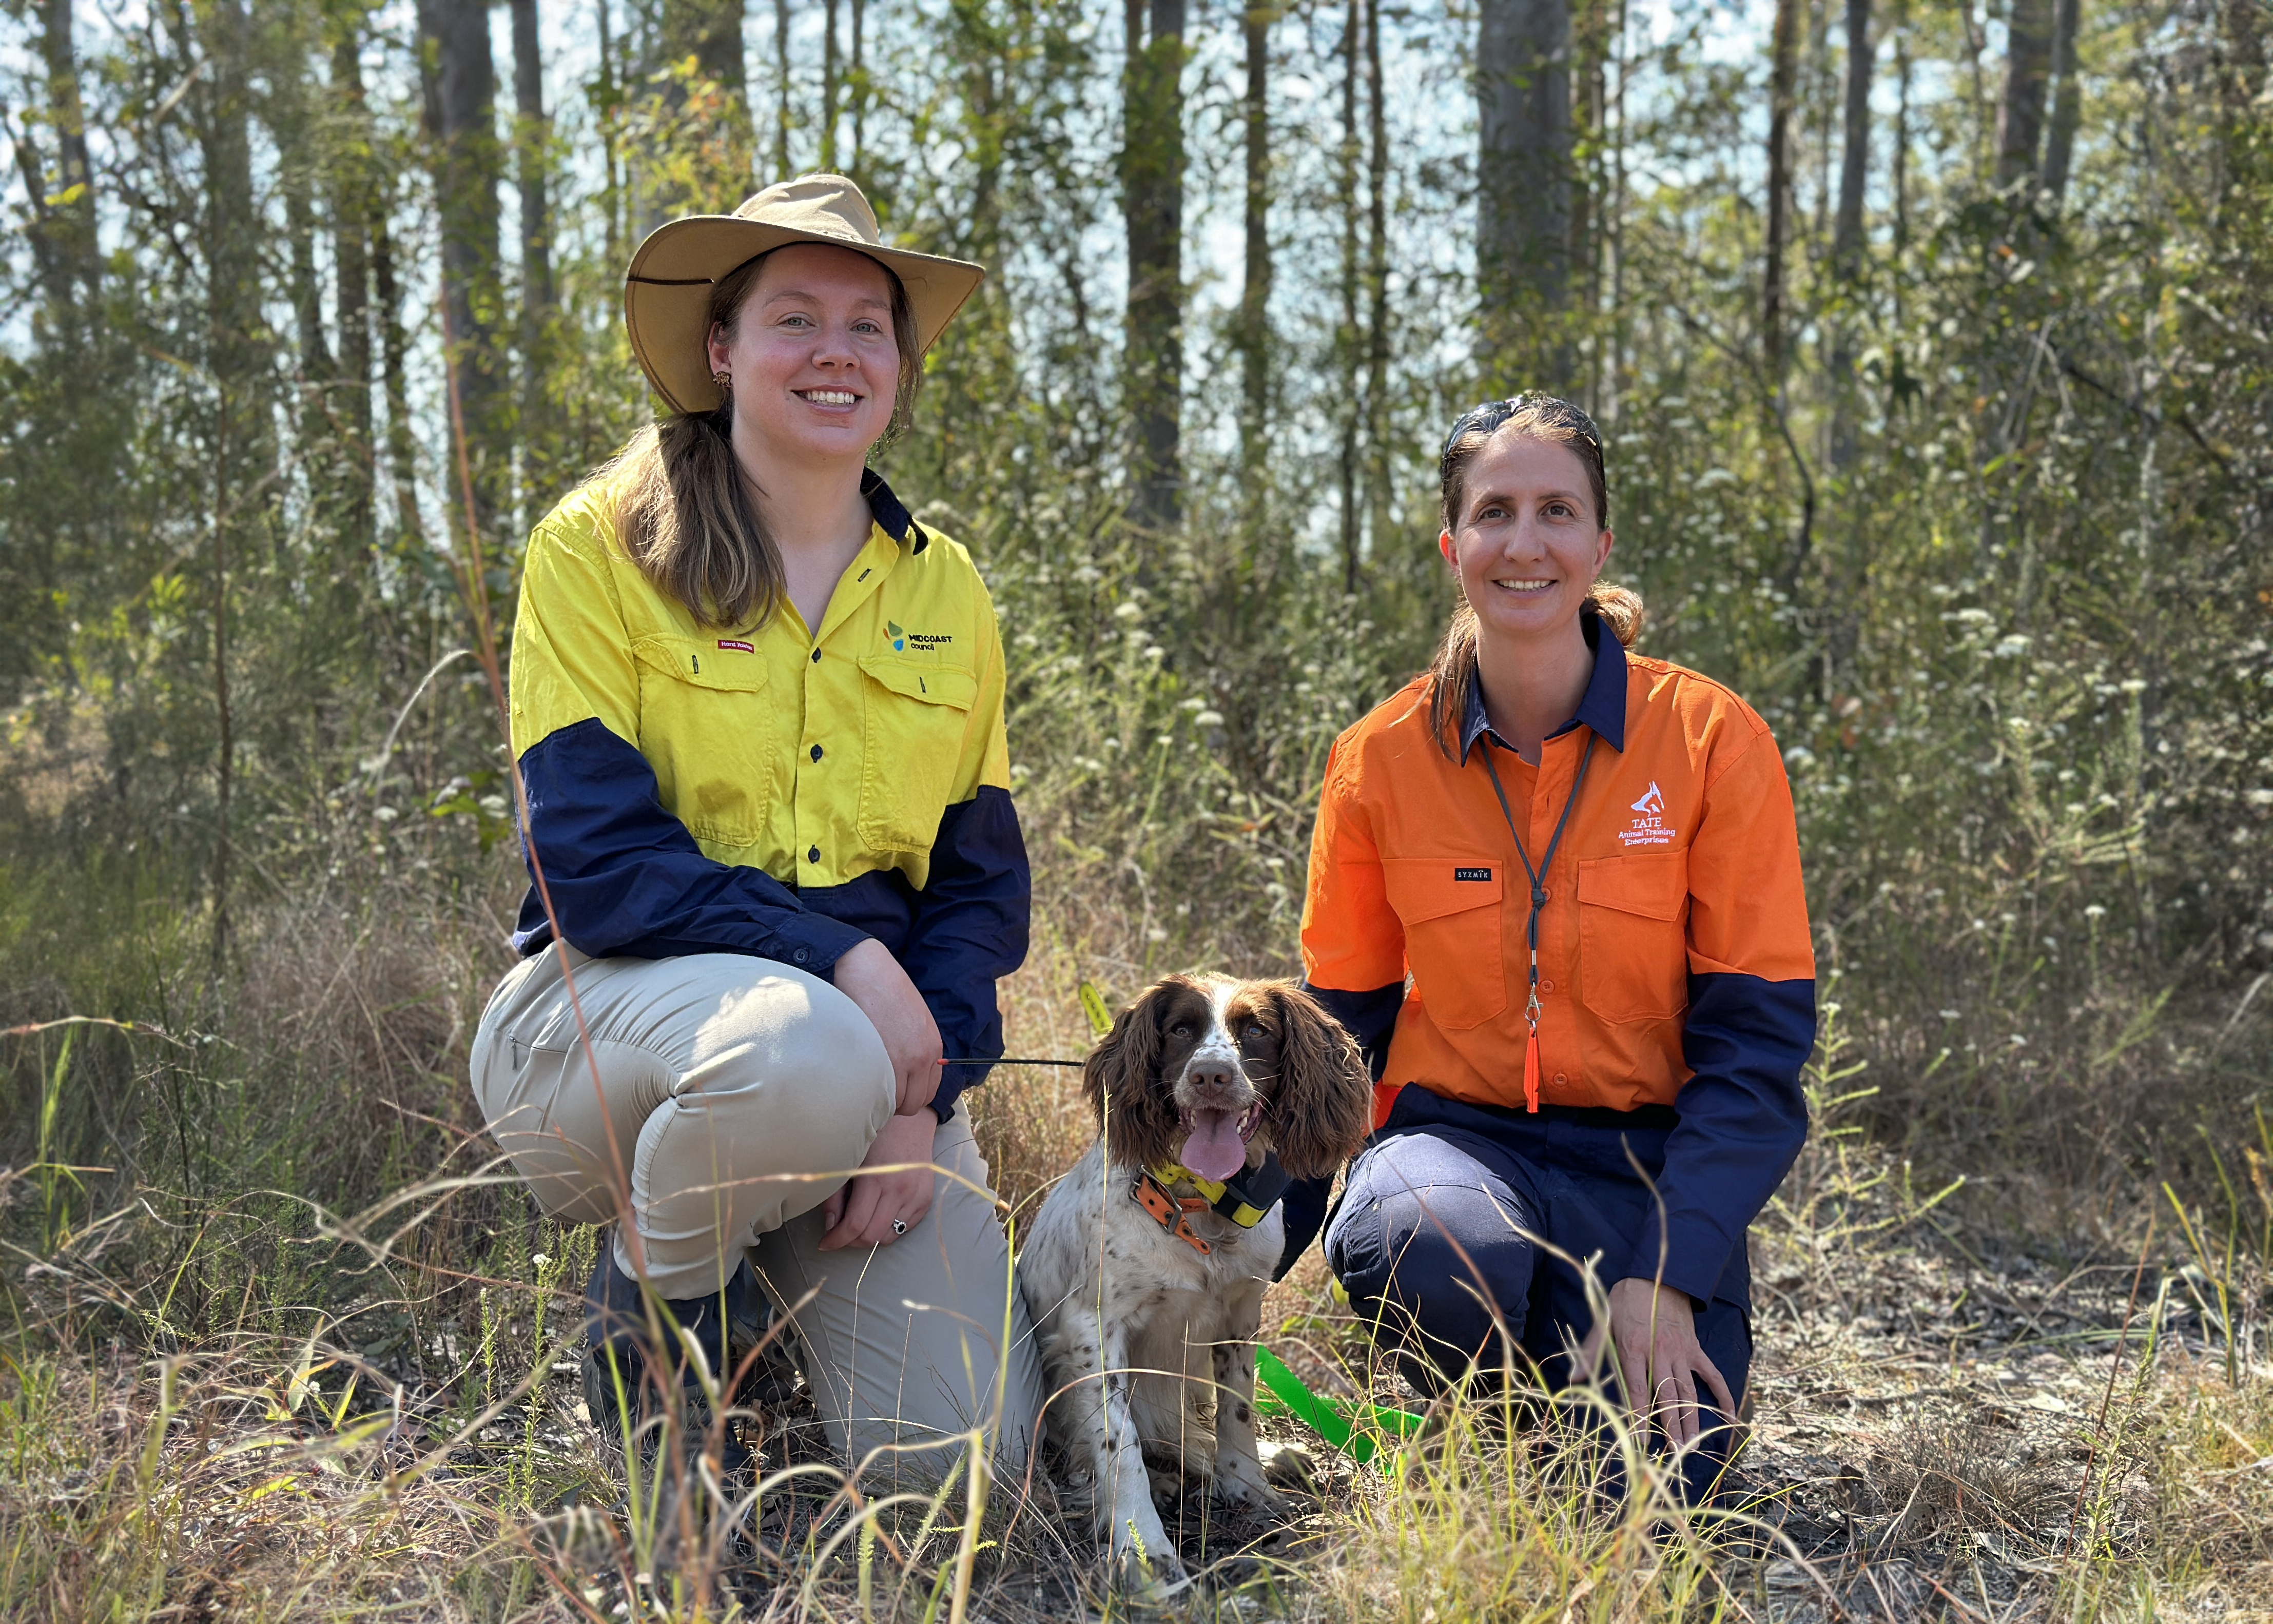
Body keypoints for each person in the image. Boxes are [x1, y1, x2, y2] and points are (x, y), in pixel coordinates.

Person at [468, 174, 1043, 1489]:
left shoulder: (946, 589)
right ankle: (658, 1323)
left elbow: (974, 894)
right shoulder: (597, 546)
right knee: (798, 1050)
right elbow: (598, 869)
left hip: (867, 1072)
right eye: (795, 318)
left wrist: (924, 1098)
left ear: (899, 367)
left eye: (868, 326)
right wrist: (842, 964)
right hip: (600, 1032)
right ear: (721, 350)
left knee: (961, 1475)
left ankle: (745, 1251)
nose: (835, 351)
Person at [1287, 394, 1815, 1498]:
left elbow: (1756, 1057)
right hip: (1456, 1151)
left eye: (1556, 511)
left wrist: (1665, 1269)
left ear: (1599, 543)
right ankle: (1493, 1420)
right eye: (1494, 512)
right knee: (1424, 1238)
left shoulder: (1713, 742)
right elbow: (1336, 1041)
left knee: (1660, 1494)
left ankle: (1578, 1429)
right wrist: (1232, 1248)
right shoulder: (1376, 759)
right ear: (1452, 546)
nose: (1523, 543)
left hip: (1647, 1174)